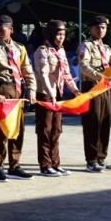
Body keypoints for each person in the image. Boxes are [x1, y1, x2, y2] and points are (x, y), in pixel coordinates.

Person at [0, 14, 37, 182]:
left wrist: (33, 91)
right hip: (3, 90)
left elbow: (28, 71)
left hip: (18, 91)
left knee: (17, 130)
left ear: (11, 30)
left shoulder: (20, 48)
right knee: (1, 132)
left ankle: (15, 165)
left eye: (2, 30)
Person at [34, 20, 80, 177]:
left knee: (56, 130)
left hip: (58, 94)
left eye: (63, 34)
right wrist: (50, 93)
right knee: (45, 130)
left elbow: (66, 73)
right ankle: (45, 165)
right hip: (46, 94)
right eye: (58, 34)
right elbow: (43, 74)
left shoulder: (61, 51)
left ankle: (55, 163)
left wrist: (75, 90)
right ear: (51, 34)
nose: (61, 37)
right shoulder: (43, 51)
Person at [78, 15, 111, 172]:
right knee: (92, 122)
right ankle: (91, 160)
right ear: (90, 29)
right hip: (92, 86)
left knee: (105, 122)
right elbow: (83, 66)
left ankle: (101, 157)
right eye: (98, 27)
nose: (101, 30)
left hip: (105, 87)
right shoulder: (85, 46)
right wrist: (102, 77)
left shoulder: (106, 48)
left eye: (103, 27)